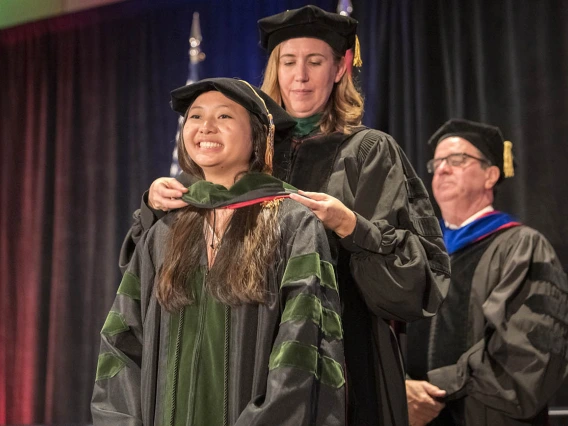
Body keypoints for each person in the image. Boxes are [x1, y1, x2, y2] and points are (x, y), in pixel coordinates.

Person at [122, 6, 451, 425]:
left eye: (315, 62)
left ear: (340, 67)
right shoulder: (244, 149)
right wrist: (154, 206)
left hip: (345, 357)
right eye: (288, 62)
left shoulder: (368, 152)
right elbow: (162, 273)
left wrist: (351, 226)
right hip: (244, 357)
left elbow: (421, 279)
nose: (300, 76)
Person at [92, 78, 346, 425]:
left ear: (258, 136)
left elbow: (303, 347)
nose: (205, 127)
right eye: (195, 117)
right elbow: (121, 344)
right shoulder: (165, 232)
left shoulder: (292, 223)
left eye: (224, 117)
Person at [405, 118, 568, 426]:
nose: (442, 169)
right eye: (437, 162)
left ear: (491, 174)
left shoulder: (522, 247)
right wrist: (400, 386)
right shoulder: (418, 251)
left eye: (457, 160)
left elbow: (527, 354)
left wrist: (433, 390)